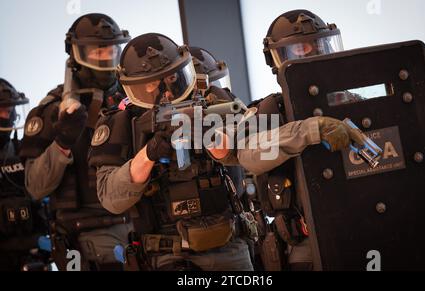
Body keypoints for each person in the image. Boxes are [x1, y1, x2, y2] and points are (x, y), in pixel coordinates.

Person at [88, 33, 254, 271]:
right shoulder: (122, 123)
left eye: (172, 78)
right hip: (169, 254)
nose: (165, 91)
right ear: (132, 88)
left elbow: (250, 155)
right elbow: (111, 199)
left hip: (230, 247)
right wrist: (149, 154)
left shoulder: (215, 101)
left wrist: (211, 135)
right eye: (151, 85)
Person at [207, 10, 353, 270]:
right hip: (307, 247)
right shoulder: (270, 111)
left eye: (318, 46)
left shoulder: (351, 101)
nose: (311, 55)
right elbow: (250, 156)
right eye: (299, 49)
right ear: (278, 60)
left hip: (365, 230)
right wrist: (310, 130)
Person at [19, 13, 132, 271]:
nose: (106, 58)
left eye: (111, 50)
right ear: (78, 54)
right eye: (97, 52)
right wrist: (62, 142)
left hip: (139, 225)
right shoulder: (50, 112)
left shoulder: (133, 98)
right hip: (84, 233)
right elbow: (35, 188)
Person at [0, 79, 50, 271]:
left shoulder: (23, 152)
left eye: (11, 110)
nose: (9, 116)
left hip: (35, 259)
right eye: (3, 110)